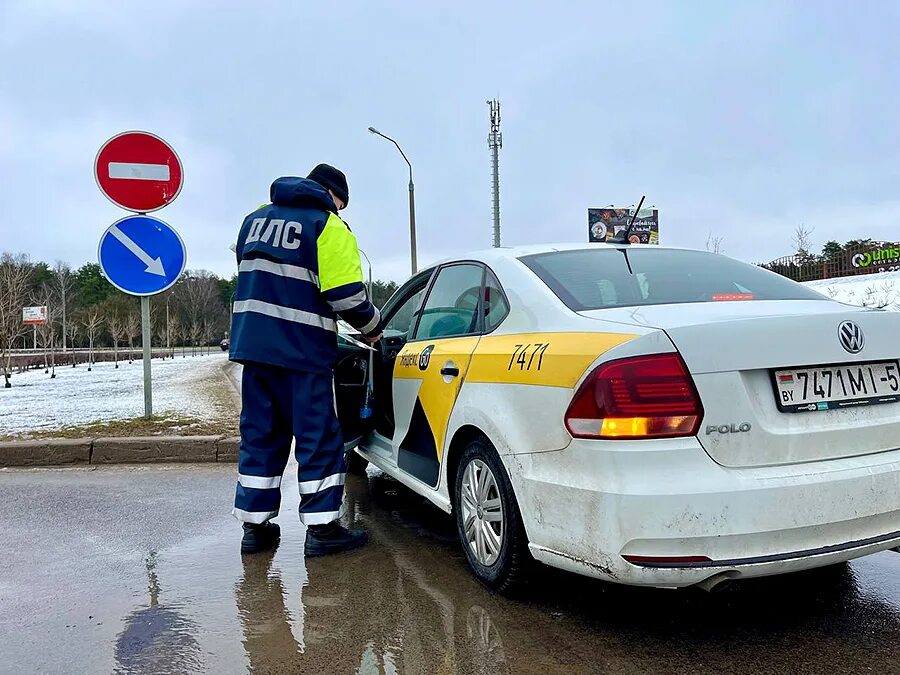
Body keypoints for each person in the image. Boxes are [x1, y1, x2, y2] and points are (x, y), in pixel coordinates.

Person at [229, 164, 382, 557]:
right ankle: (322, 530)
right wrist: (372, 327)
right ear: (333, 197)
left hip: (256, 351)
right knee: (317, 438)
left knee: (261, 435)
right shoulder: (327, 226)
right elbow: (345, 293)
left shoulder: (254, 221)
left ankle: (255, 530)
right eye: (341, 205)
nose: (340, 213)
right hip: (303, 351)